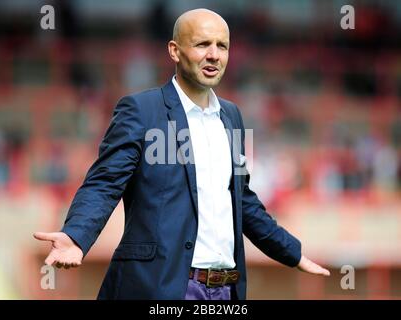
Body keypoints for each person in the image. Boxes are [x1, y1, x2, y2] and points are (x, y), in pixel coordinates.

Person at [34, 8, 330, 300]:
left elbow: (242, 200)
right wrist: (75, 236)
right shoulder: (141, 111)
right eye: (202, 44)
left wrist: (292, 251)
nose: (214, 54)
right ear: (174, 51)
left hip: (226, 291)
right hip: (162, 287)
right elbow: (104, 183)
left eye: (222, 46)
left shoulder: (232, 116)